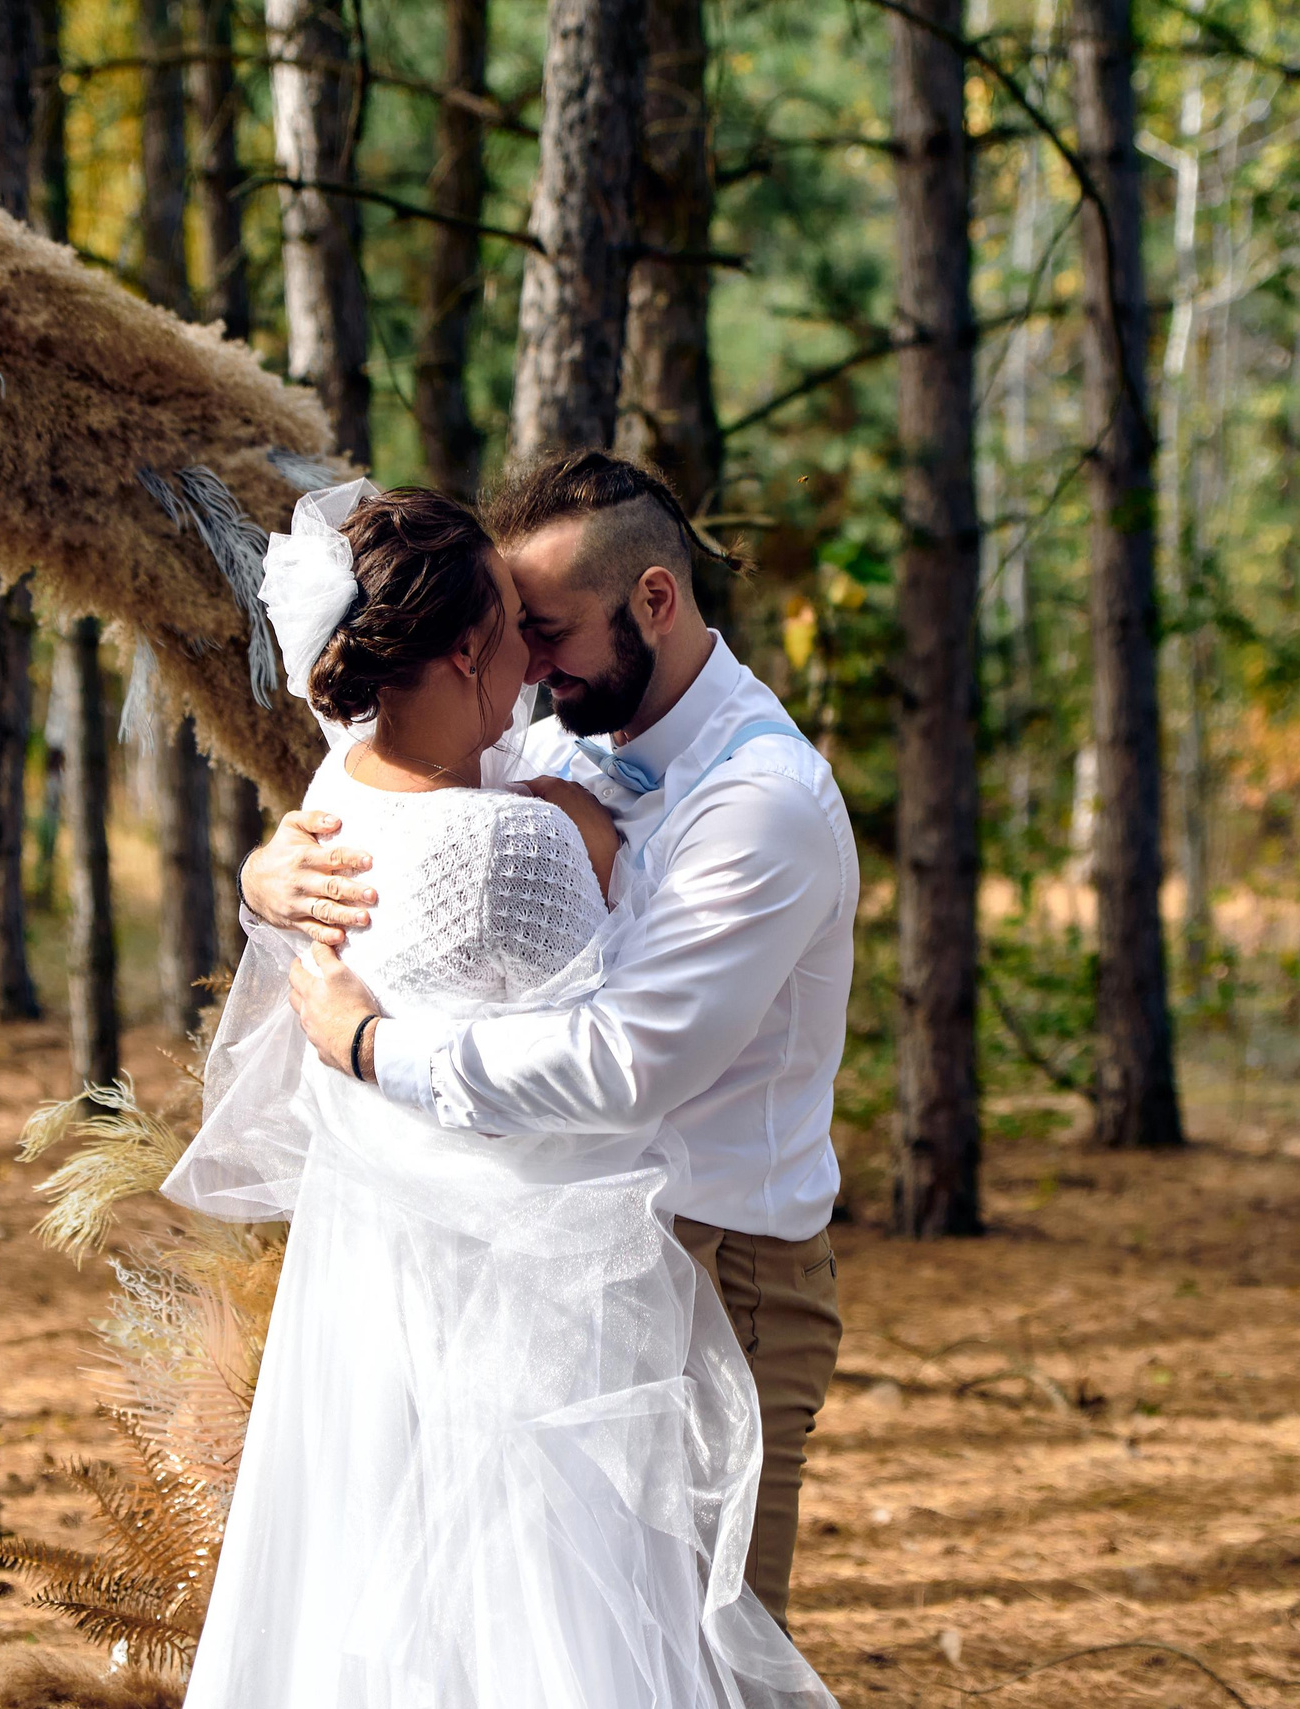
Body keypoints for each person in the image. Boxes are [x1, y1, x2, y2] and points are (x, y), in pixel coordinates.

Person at [165, 479, 833, 1708]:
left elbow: (623, 1064)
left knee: (692, 1657)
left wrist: (373, 1047)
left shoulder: (765, 803)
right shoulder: (556, 739)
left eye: (550, 629)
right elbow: (401, 806)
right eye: (510, 628)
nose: (528, 662)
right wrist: (271, 876)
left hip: (721, 1269)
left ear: (655, 597)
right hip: (521, 1277)